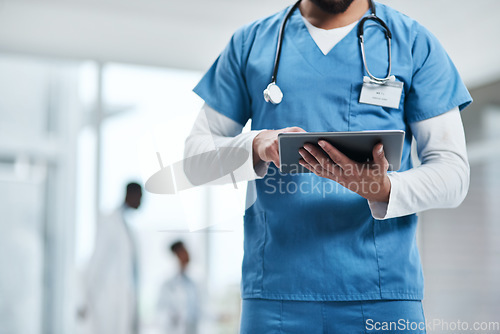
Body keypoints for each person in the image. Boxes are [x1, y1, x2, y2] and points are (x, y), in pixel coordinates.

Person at [185, 0, 472, 332]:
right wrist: (257, 144)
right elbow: (195, 160)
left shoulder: (413, 43)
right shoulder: (251, 44)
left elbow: (453, 174)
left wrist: (382, 189)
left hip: (382, 294)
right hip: (276, 297)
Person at [84, 182, 143, 334]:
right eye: (140, 196)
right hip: (107, 301)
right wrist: (85, 300)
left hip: (123, 300)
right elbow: (96, 263)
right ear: (131, 194)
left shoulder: (127, 227)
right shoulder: (110, 222)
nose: (141, 201)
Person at [157, 241, 199, 334]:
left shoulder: (194, 283)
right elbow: (161, 312)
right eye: (182, 253)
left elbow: (201, 312)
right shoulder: (167, 285)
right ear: (177, 256)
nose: (186, 255)